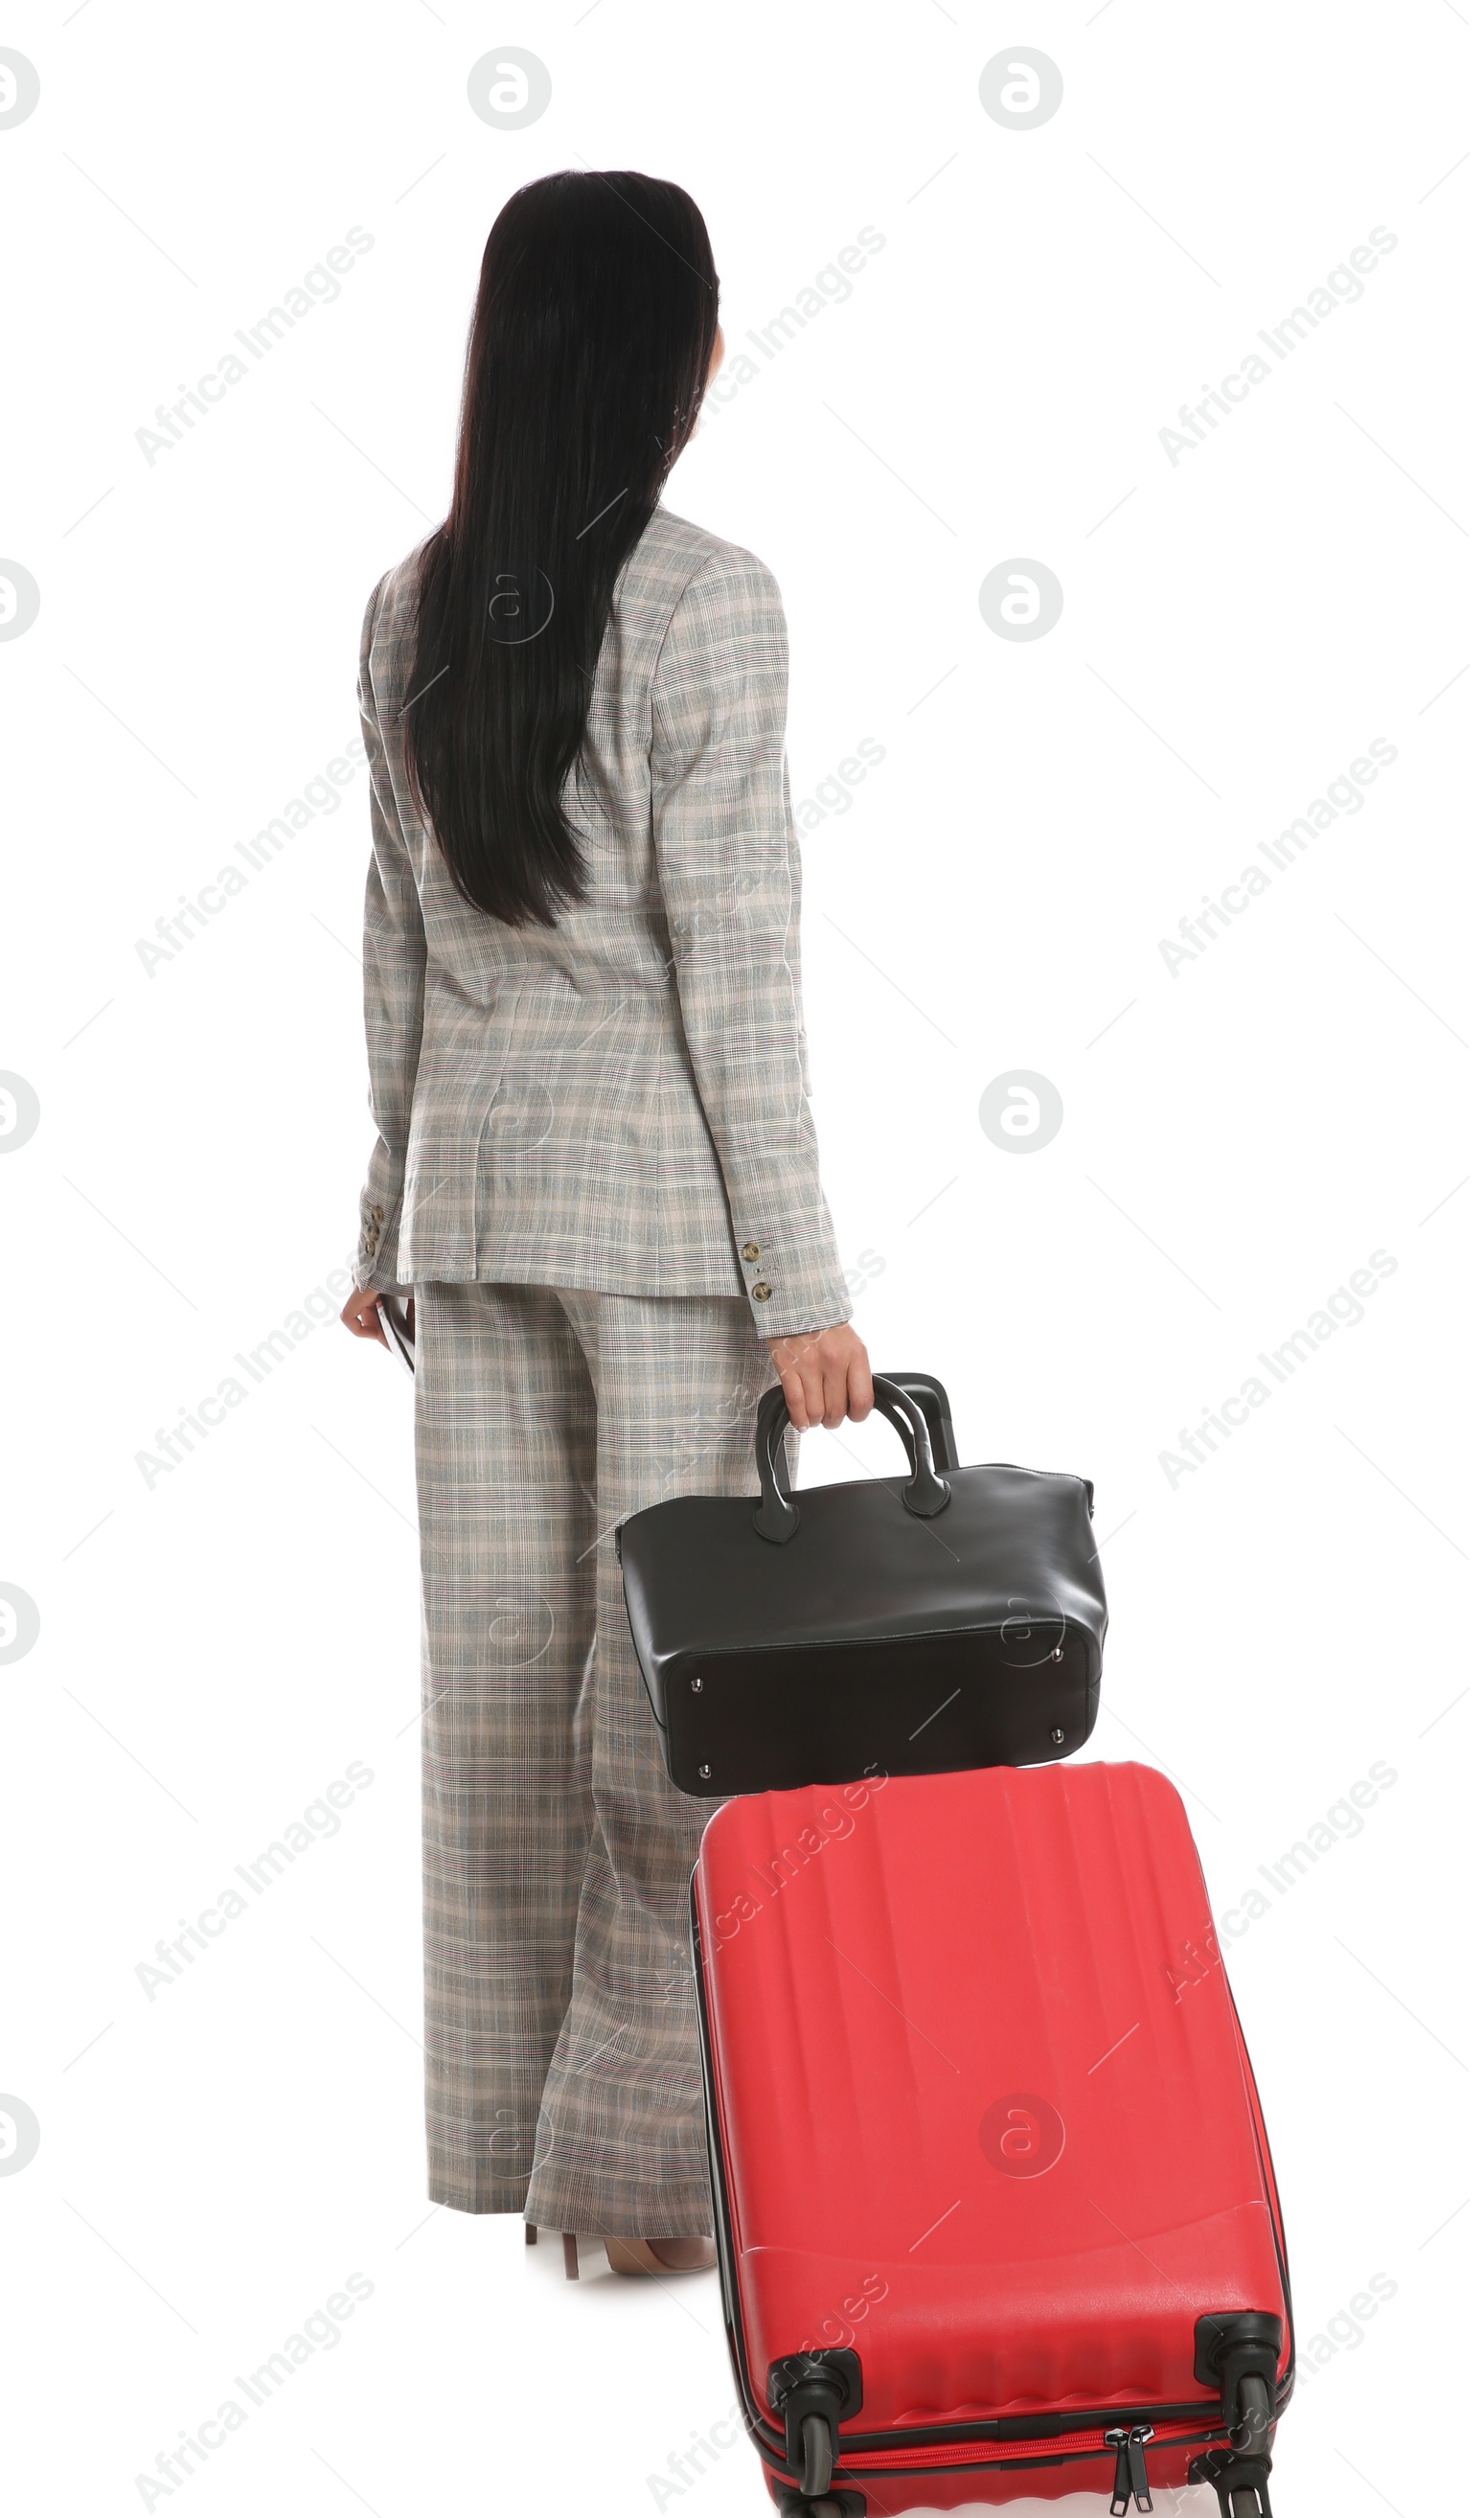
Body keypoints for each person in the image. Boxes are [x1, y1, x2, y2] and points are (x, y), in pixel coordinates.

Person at [341, 171, 872, 2278]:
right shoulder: (712, 596)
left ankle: (508, 2152)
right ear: (671, 358)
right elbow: (732, 960)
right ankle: (639, 2186)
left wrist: (387, 1206)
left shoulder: (405, 602)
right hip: (657, 1221)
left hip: (468, 1220)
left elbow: (390, 937)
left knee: (497, 1687)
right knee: (672, 1702)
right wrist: (804, 1289)